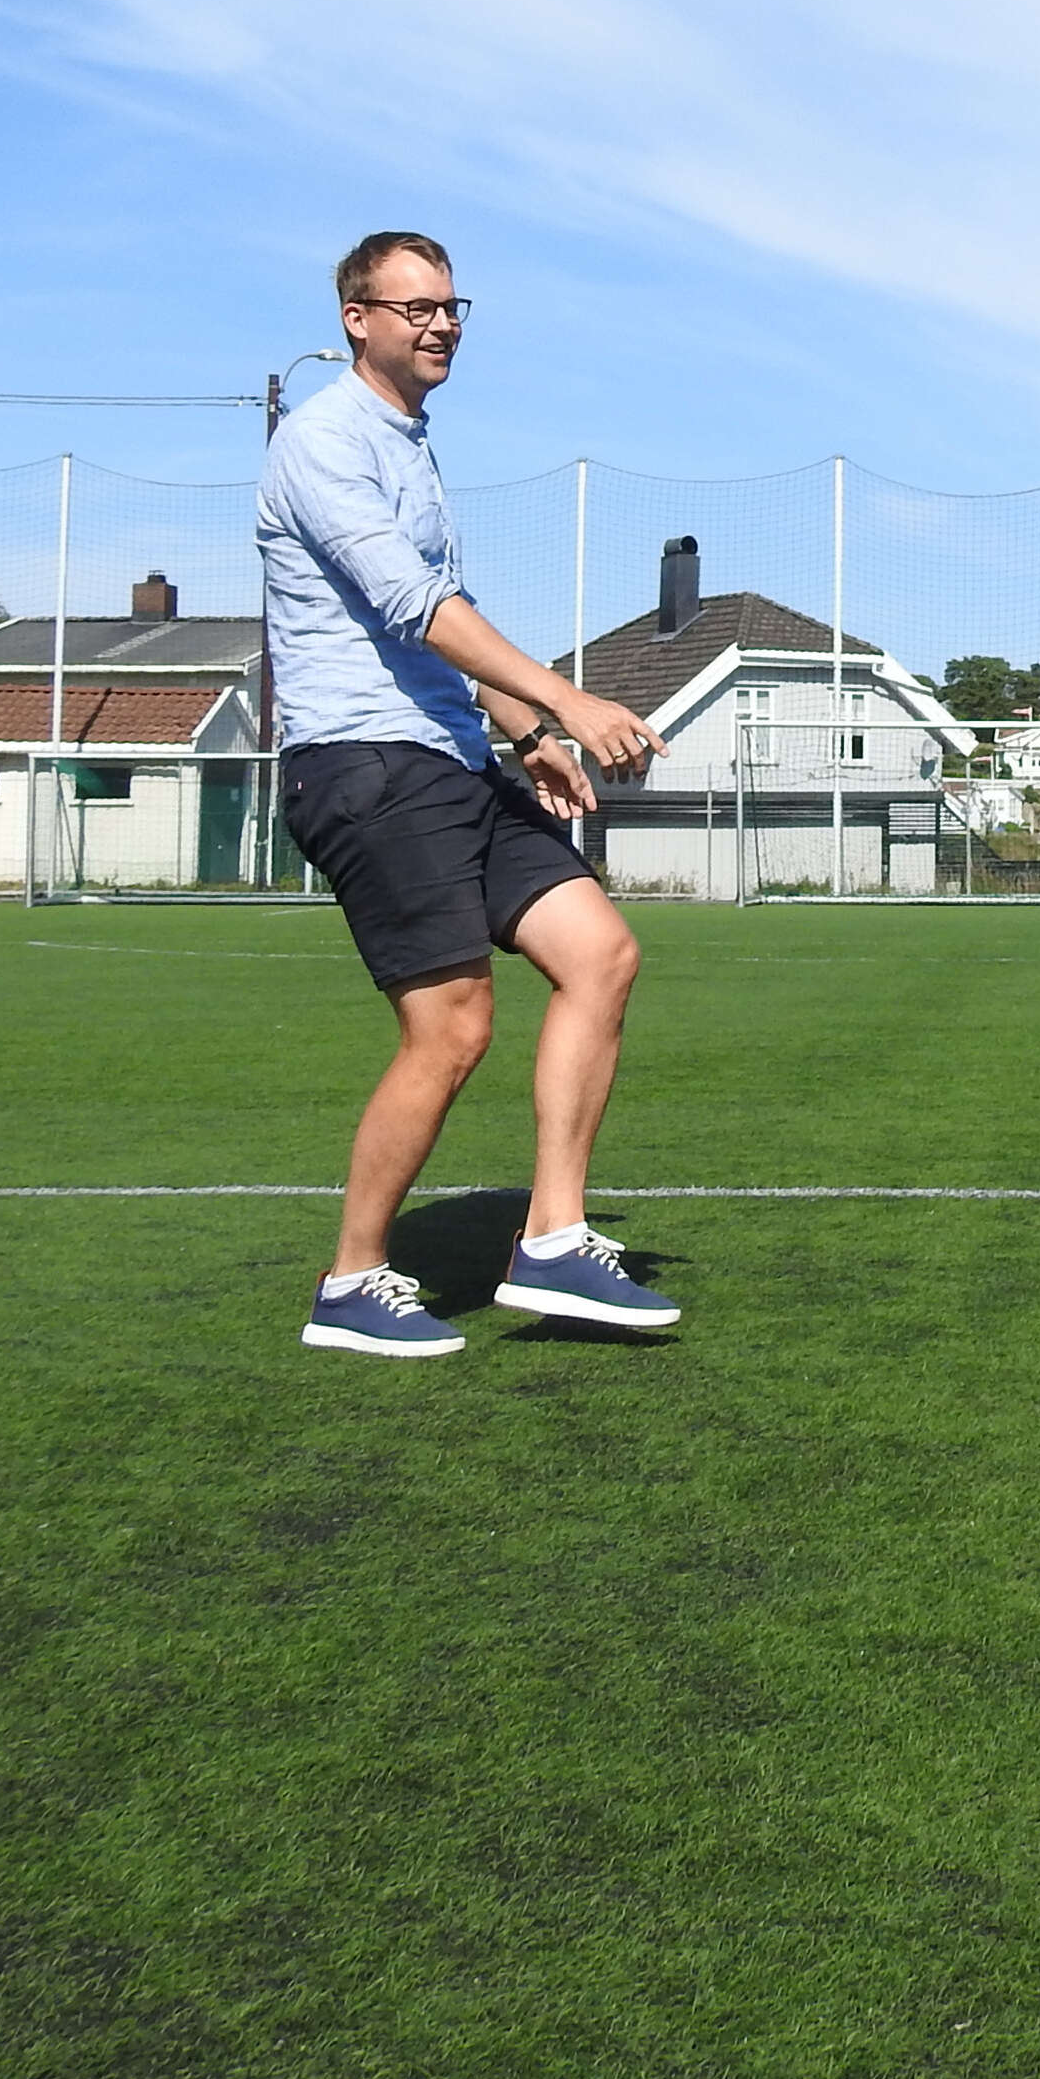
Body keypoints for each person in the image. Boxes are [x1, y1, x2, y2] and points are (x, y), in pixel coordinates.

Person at [260, 228, 683, 1360]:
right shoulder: (322, 440)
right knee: (451, 1027)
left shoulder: (410, 443)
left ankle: (552, 1239)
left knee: (601, 954)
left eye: (452, 307)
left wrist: (526, 732)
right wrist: (568, 700)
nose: (441, 324)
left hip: (449, 756)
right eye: (417, 308)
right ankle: (351, 1280)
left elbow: (446, 620)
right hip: (363, 763)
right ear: (357, 319)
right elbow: (411, 604)